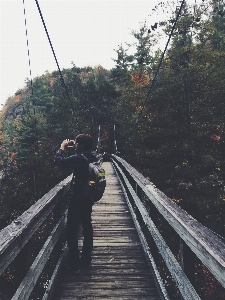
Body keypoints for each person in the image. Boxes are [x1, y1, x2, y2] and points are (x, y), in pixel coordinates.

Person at [54, 134, 97, 274]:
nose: (75, 145)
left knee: (71, 230)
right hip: (88, 197)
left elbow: (58, 161)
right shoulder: (92, 156)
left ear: (82, 146)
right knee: (87, 227)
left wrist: (62, 148)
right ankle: (86, 260)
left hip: (77, 198)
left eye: (77, 143)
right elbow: (80, 161)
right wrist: (76, 147)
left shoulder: (79, 158)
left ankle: (74, 263)